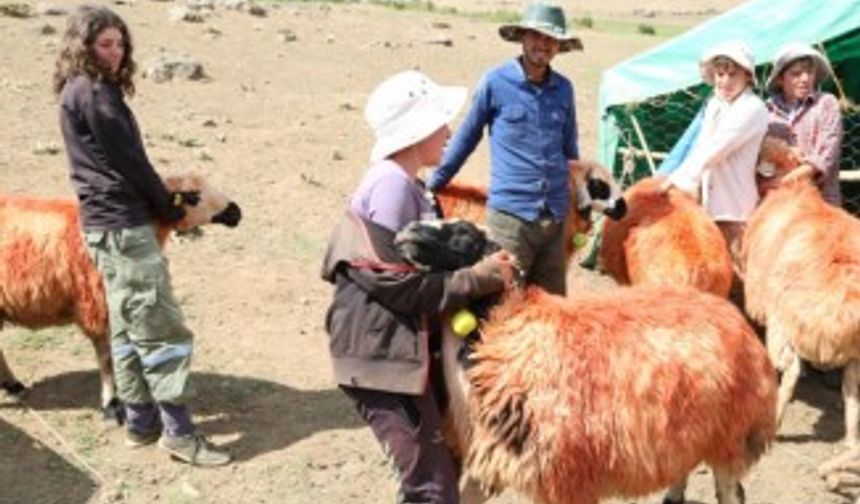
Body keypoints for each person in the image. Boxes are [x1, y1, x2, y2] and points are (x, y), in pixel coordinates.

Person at [321, 70, 514, 504]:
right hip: (382, 355)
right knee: (433, 487)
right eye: (439, 123)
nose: (448, 132)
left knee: (437, 471)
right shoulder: (390, 184)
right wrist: (480, 277)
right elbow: (396, 285)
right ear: (415, 131)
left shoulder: (408, 183)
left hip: (397, 347)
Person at [54, 5, 230, 466]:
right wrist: (167, 205)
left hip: (101, 225)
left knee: (128, 326)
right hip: (125, 226)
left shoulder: (78, 90)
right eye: (105, 44)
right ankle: (179, 433)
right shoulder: (96, 94)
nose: (115, 53)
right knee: (160, 327)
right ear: (84, 46)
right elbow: (131, 163)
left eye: (120, 43)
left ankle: (140, 422)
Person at [426, 2, 582, 296]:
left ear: (559, 46)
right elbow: (465, 139)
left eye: (551, 39)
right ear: (522, 37)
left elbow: (570, 151)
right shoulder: (495, 82)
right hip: (511, 217)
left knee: (551, 309)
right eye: (536, 36)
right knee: (501, 302)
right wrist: (433, 184)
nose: (543, 45)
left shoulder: (564, 89)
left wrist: (577, 206)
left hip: (555, 219)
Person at [660, 40, 769, 305]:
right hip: (708, 206)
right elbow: (699, 146)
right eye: (720, 73)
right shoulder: (715, 105)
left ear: (748, 77)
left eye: (733, 74)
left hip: (734, 209)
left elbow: (713, 150)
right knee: (713, 275)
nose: (725, 80)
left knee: (739, 277)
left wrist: (673, 182)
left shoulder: (752, 109)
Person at [764, 42, 843, 206]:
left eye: (809, 72)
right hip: (778, 203)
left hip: (821, 203)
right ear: (780, 78)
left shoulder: (826, 104)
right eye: (796, 74)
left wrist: (785, 181)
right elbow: (763, 158)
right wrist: (765, 179)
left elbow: (826, 155)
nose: (805, 78)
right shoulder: (766, 111)